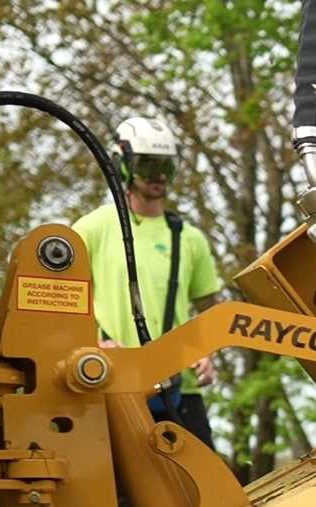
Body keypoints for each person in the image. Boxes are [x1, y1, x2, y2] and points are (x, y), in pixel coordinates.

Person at [74, 115, 224, 450]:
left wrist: (205, 351)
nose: (158, 176)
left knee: (210, 494)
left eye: (166, 167)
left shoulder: (189, 238)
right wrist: (95, 341)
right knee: (122, 501)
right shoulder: (92, 229)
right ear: (122, 164)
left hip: (180, 390)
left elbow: (210, 309)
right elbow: (63, 303)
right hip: (113, 386)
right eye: (147, 166)